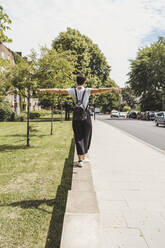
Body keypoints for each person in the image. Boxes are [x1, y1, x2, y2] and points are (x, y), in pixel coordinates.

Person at [39, 73, 119, 167]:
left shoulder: (72, 91)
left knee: (78, 137)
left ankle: (81, 159)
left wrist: (45, 89)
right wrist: (112, 88)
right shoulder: (88, 90)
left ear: (76, 81)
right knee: (86, 136)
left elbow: (59, 91)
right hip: (86, 116)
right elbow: (100, 90)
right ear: (84, 82)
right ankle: (83, 158)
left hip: (76, 116)